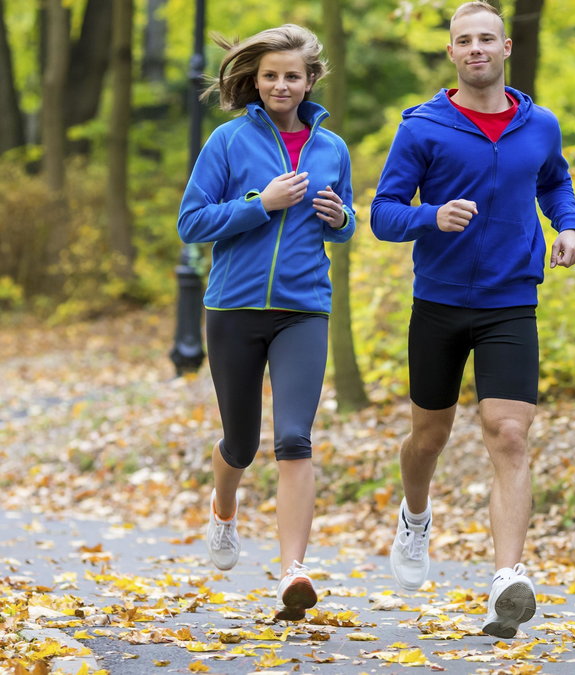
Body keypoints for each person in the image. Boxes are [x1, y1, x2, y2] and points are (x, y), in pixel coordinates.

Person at [370, 1, 575, 639]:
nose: (475, 49)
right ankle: (414, 518)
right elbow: (383, 213)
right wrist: (429, 217)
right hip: (438, 301)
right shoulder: (422, 129)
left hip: (511, 298)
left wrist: (569, 227)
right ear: (452, 53)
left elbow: (555, 182)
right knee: (429, 437)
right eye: (463, 40)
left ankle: (506, 581)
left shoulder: (539, 123)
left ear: (507, 47)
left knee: (509, 433)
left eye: (486, 38)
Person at [177, 24, 356, 622]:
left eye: (293, 76)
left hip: (304, 307)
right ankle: (224, 506)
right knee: (241, 443)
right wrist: (262, 204)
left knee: (294, 438)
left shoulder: (332, 148)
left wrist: (339, 217)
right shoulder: (228, 142)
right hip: (233, 308)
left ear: (311, 82)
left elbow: (346, 222)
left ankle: (293, 572)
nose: (282, 84)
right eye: (272, 75)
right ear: (256, 80)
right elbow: (192, 223)